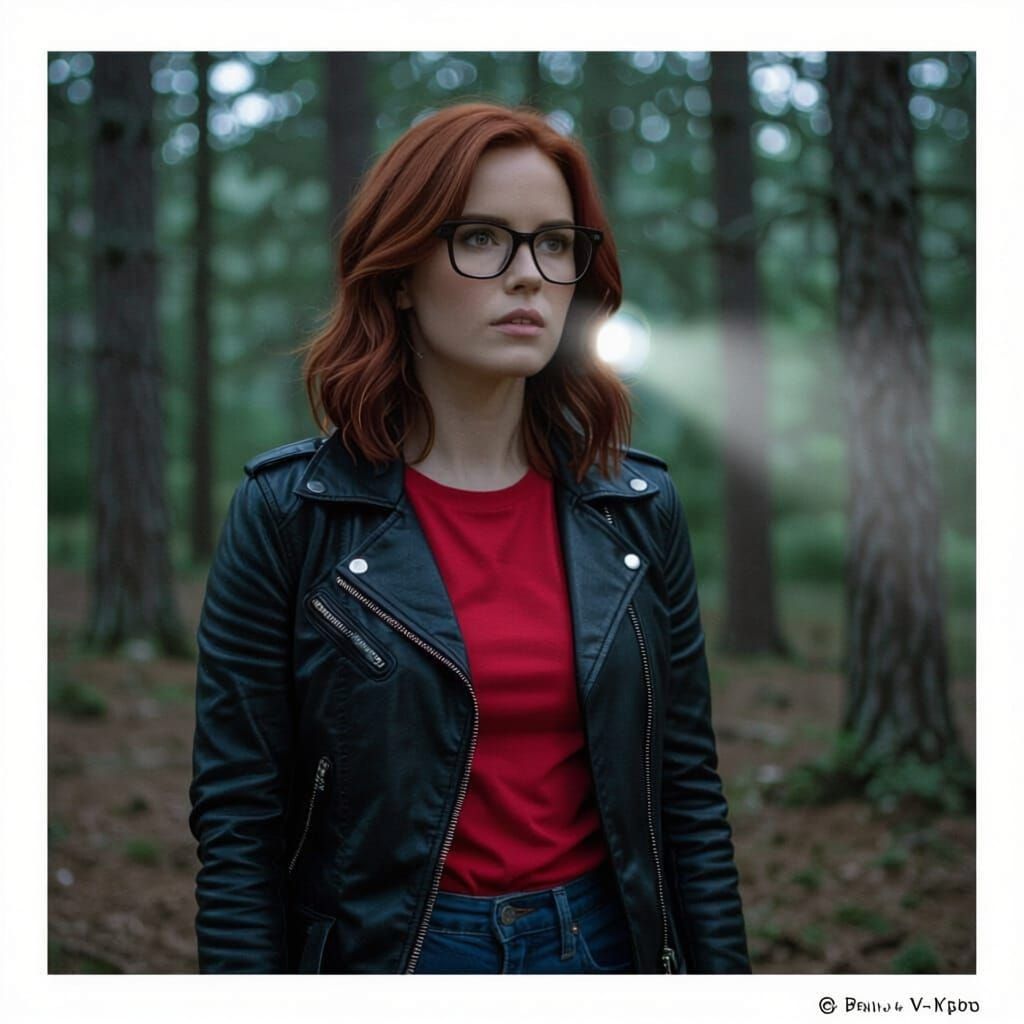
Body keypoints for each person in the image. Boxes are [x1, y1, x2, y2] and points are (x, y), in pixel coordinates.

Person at [188, 101, 750, 975]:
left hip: (602, 948)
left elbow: (686, 794)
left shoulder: (639, 508)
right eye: (483, 238)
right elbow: (238, 818)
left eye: (556, 243)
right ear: (401, 270)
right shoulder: (291, 512)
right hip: (394, 956)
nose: (528, 275)